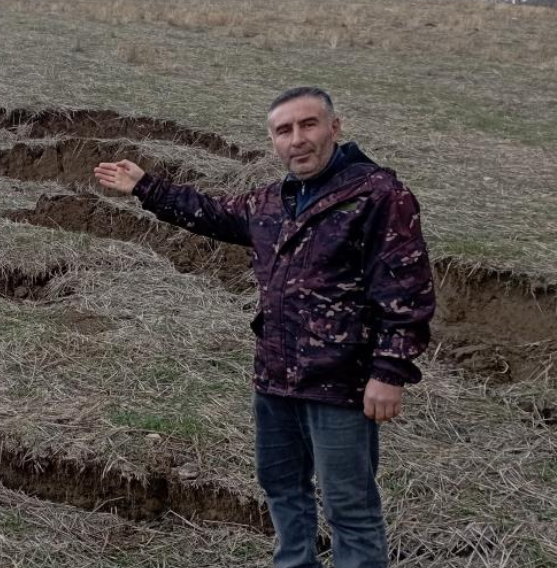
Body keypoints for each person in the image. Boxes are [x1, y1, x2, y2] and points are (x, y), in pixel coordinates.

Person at [94, 86, 435, 568]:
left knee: (349, 508)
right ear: (273, 141)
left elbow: (407, 289)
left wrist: (390, 372)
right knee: (281, 487)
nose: (297, 139)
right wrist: (147, 187)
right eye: (284, 130)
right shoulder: (273, 201)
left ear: (334, 128)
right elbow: (212, 213)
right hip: (275, 377)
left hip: (341, 383)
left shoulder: (379, 195)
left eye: (308, 125)